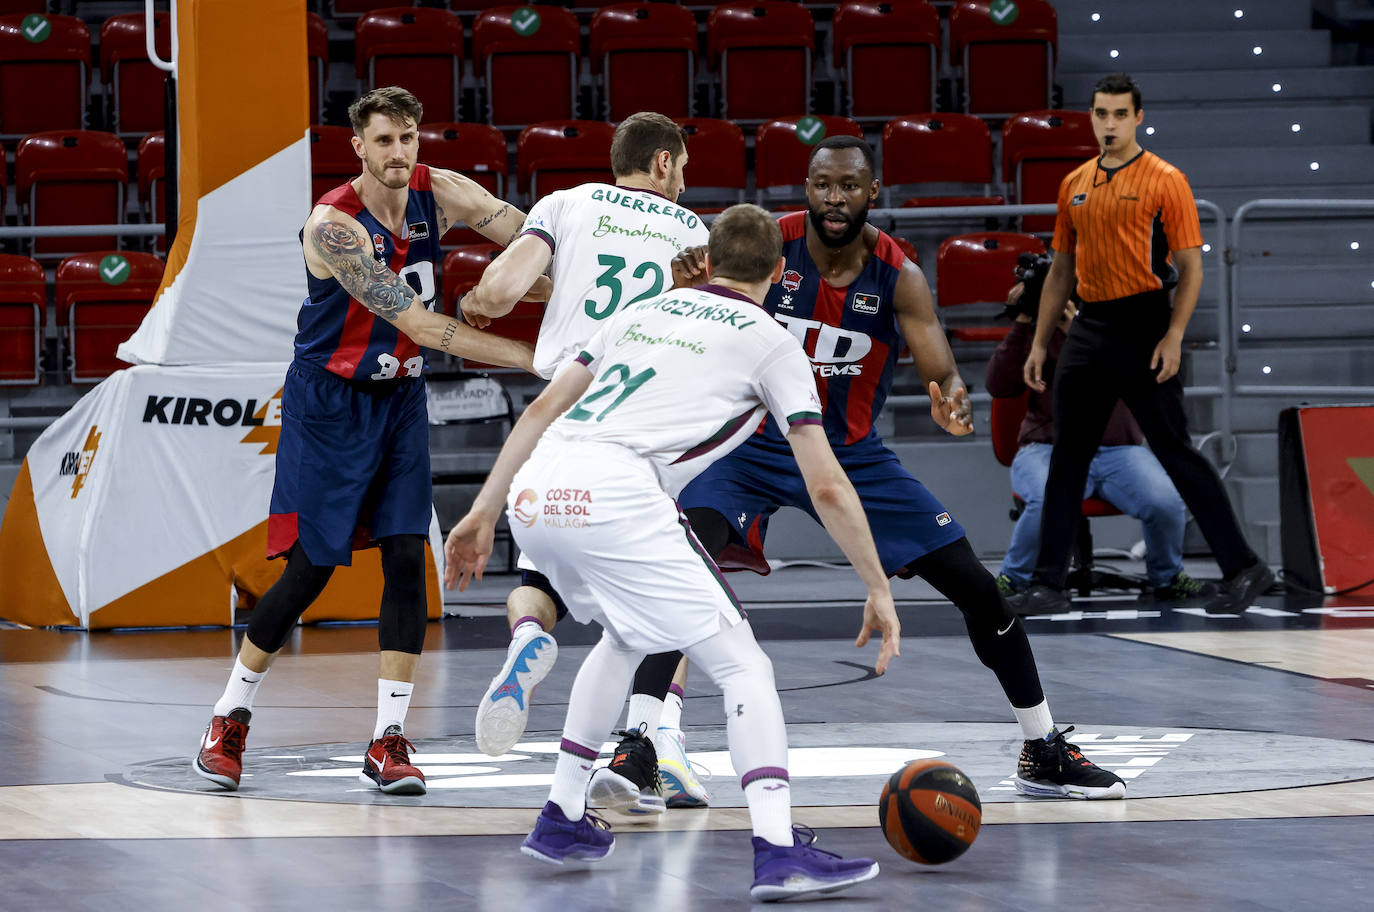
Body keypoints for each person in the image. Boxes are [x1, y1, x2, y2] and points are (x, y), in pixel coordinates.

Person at [445, 204, 897, 901]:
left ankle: (562, 817)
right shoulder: (772, 339)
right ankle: (778, 850)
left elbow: (538, 411)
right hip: (618, 494)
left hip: (538, 488)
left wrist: (481, 512)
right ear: (780, 275)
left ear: (707, 262)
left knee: (626, 636)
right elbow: (827, 484)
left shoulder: (638, 313)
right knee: (745, 665)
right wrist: (879, 585)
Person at [677, 136, 1127, 800]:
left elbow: (941, 369)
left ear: (872, 194)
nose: (834, 199)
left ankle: (1042, 747)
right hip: (751, 448)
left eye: (848, 187)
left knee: (979, 589)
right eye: (823, 186)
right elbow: (702, 309)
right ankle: (645, 743)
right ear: (807, 187)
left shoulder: (899, 274)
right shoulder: (771, 247)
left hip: (852, 454)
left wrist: (950, 398)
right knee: (682, 573)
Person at [194, 86, 541, 795]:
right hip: (330, 401)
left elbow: (532, 241)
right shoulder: (334, 228)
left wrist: (586, 291)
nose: (398, 152)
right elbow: (417, 325)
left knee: (407, 557)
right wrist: (538, 356)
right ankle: (228, 716)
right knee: (310, 570)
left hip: (400, 398)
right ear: (358, 145)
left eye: (408, 138)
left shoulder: (440, 192)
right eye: (383, 140)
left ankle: (388, 740)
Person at [455, 112, 712, 810]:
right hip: (646, 419)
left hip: (559, 412)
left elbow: (505, 288)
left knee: (542, 567)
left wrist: (478, 303)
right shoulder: (693, 233)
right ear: (662, 164)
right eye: (682, 169)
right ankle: (654, 743)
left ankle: (529, 636)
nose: (684, 183)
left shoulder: (565, 205)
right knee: (669, 585)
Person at [1019, 72, 1275, 616]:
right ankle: (1048, 583)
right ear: (1090, 116)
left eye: (1119, 114)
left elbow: (1190, 267)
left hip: (1145, 327)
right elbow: (1061, 268)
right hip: (1089, 327)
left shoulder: (1166, 179)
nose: (1108, 124)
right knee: (1068, 455)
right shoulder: (1074, 184)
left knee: (1175, 450)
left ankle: (1244, 568)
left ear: (1138, 118)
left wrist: (1175, 336)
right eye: (1100, 114)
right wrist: (1041, 343)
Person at [987, 280, 1212, 603]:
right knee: (1044, 500)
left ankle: (1168, 577)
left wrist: (1079, 330)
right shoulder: (1038, 336)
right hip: (1046, 448)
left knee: (1166, 502)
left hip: (1117, 450)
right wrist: (1023, 322)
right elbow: (1000, 384)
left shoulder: (1120, 331)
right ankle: (1015, 578)